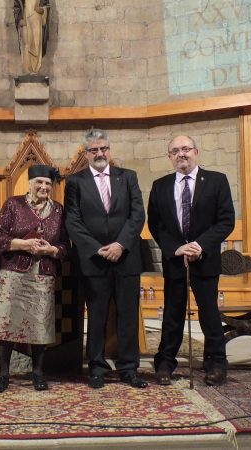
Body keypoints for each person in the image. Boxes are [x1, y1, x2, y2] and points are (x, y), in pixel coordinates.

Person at [147, 135, 235, 387]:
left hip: (205, 259)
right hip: (175, 260)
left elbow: (226, 220)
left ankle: (216, 364)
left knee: (209, 315)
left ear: (196, 151)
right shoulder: (160, 185)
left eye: (185, 149)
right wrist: (176, 248)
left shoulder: (217, 181)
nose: (181, 154)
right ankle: (165, 363)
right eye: (175, 151)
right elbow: (156, 224)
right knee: (172, 314)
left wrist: (200, 245)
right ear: (169, 157)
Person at [64, 128, 148, 389]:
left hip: (126, 259)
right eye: (94, 150)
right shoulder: (75, 182)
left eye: (103, 149)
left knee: (128, 315)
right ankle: (97, 367)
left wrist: (120, 244)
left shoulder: (128, 177)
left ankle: (128, 367)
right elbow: (72, 221)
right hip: (94, 260)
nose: (99, 154)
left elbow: (137, 215)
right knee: (97, 316)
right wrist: (97, 248)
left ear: (109, 150)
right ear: (85, 153)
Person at [0, 165, 68, 393]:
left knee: (40, 324)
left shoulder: (59, 210)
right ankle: (3, 375)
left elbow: (64, 246)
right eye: (39, 182)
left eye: (48, 184)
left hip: (42, 274)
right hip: (12, 274)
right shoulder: (13, 204)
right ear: (29, 183)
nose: (43, 187)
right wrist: (24, 244)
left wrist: (51, 250)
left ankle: (38, 372)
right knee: (7, 324)